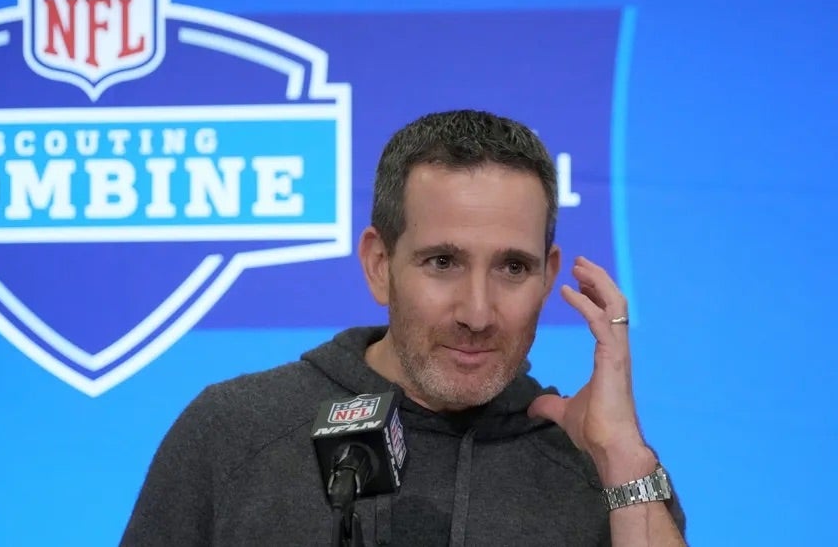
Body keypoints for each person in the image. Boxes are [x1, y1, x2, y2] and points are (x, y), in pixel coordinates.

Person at [120, 110, 686, 546]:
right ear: (378, 265)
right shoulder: (234, 432)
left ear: (548, 277)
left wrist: (621, 458)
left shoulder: (604, 469)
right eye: (443, 262)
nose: (478, 313)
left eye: (513, 268)